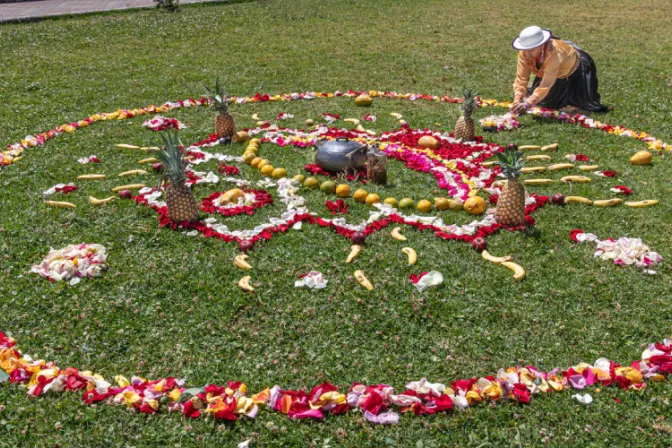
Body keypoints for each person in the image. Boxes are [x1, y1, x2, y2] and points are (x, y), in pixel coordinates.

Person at [510, 26, 608, 114]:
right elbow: (521, 78)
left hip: (576, 70)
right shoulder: (524, 54)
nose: (527, 55)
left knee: (585, 106)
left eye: (531, 50)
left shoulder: (555, 55)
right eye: (524, 50)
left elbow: (546, 84)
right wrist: (517, 100)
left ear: (542, 45)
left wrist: (527, 104)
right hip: (551, 74)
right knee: (542, 103)